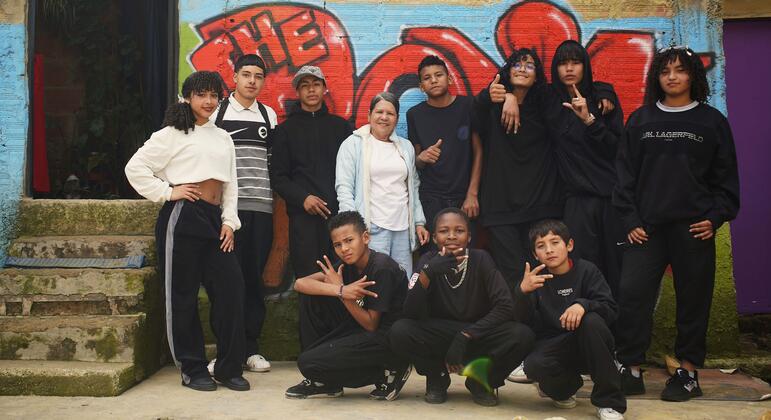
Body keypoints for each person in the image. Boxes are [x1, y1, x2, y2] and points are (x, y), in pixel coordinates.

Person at [613, 46, 740, 402]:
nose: (672, 76)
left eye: (680, 70)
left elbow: (726, 180)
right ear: (657, 77)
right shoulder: (640, 121)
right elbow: (624, 178)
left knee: (693, 302)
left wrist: (715, 218)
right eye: (665, 70)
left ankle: (687, 373)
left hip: (692, 229)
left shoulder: (711, 122)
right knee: (632, 295)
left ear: (692, 77)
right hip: (646, 230)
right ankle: (631, 368)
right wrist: (630, 220)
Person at [125, 71, 249, 392]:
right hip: (182, 217)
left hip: (214, 220)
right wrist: (169, 192)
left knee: (231, 291)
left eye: (213, 95)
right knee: (182, 295)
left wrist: (229, 221)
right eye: (201, 95)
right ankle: (192, 368)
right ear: (187, 97)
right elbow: (135, 168)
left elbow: (230, 185)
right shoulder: (171, 134)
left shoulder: (223, 137)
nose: (208, 101)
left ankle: (228, 367)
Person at [389, 208, 535, 406]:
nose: (451, 236)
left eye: (459, 230)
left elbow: (504, 306)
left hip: (477, 333)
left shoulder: (481, 259)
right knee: (400, 330)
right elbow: (410, 312)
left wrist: (467, 334)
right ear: (434, 237)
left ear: (469, 237)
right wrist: (428, 273)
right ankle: (437, 377)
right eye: (444, 231)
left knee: (522, 335)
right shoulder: (427, 262)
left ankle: (480, 381)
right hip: (439, 333)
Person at [284, 211, 410, 401]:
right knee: (311, 296)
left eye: (349, 240)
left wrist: (343, 294)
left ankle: (389, 371)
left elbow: (371, 324)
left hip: (385, 339)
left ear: (365, 237)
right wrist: (340, 290)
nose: (344, 249)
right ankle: (324, 381)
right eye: (338, 244)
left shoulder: (381, 268)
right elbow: (300, 283)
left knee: (308, 363)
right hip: (358, 326)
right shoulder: (346, 264)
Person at [515, 219, 626, 420]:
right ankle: (566, 389)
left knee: (591, 321)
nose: (549, 250)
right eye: (541, 246)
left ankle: (609, 402)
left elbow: (610, 309)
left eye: (555, 242)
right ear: (535, 254)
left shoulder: (587, 270)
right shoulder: (535, 279)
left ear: (569, 245)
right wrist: (522, 293)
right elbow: (522, 322)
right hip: (556, 346)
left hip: (590, 343)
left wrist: (583, 305)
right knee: (533, 365)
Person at [209, 54, 277, 374]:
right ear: (234, 77)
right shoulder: (218, 113)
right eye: (246, 74)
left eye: (258, 76)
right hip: (226, 214)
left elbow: (272, 164)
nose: (252, 81)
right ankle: (226, 352)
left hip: (261, 210)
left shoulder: (269, 115)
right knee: (225, 281)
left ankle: (251, 349)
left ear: (263, 81)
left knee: (252, 281)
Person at [550, 40, 626, 299]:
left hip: (610, 200)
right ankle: (588, 330)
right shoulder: (551, 103)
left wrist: (590, 120)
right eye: (563, 63)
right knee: (582, 269)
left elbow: (618, 150)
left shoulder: (603, 101)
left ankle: (619, 335)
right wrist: (512, 99)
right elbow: (518, 82)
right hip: (576, 202)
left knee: (616, 268)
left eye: (575, 62)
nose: (569, 69)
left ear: (585, 66)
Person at [270, 65, 352, 279]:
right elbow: (278, 177)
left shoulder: (341, 128)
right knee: (308, 277)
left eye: (316, 84)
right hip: (303, 218)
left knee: (340, 276)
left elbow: (354, 170)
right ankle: (309, 315)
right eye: (305, 86)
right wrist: (303, 198)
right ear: (298, 92)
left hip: (338, 215)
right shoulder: (285, 131)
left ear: (324, 88)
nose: (311, 90)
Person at [336, 92, 429, 275]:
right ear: (369, 115)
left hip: (402, 228)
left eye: (390, 113)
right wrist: (353, 228)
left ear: (396, 119)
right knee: (377, 283)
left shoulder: (406, 147)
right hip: (371, 228)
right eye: (379, 112)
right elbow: (344, 188)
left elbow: (413, 187)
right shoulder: (353, 145)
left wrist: (419, 222)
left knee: (403, 281)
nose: (384, 117)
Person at [407, 55, 482, 249]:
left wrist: (472, 194)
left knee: (466, 254)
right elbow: (417, 160)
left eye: (438, 75)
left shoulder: (468, 106)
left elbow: (478, 150)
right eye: (427, 77)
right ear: (421, 86)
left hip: (464, 196)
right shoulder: (415, 114)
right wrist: (421, 158)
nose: (433, 80)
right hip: (431, 198)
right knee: (436, 256)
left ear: (449, 79)